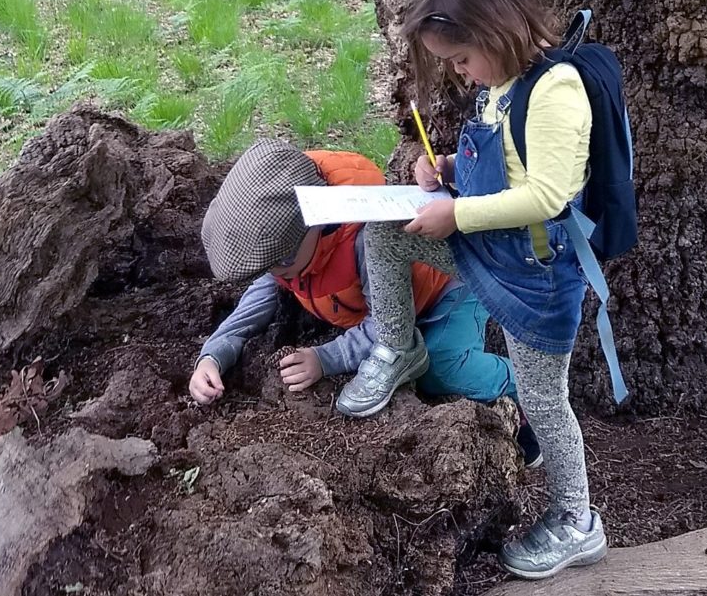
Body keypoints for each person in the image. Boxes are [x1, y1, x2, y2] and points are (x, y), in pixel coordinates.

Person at [343, 0, 606, 580]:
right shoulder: (500, 85)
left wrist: (455, 215)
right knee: (385, 233)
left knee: (544, 403)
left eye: (462, 59)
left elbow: (547, 193)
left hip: (537, 275)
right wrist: (449, 171)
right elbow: (504, 166)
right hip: (492, 250)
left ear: (497, 30)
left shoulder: (555, 89)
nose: (461, 74)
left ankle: (577, 520)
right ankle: (397, 348)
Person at [189, 139, 542, 466]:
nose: (275, 275)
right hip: (390, 307)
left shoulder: (362, 240)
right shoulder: (288, 242)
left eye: (278, 264)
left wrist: (325, 358)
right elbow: (263, 293)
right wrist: (215, 352)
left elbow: (387, 323)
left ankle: (532, 387)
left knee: (441, 370)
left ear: (315, 227)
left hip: (446, 289)